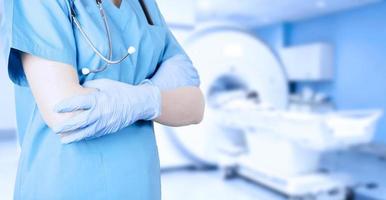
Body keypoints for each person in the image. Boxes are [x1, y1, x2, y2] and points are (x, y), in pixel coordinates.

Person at [0, 0, 205, 199]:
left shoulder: (143, 3)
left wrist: (141, 101)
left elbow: (194, 103)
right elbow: (66, 114)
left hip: (141, 186)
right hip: (65, 186)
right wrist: (158, 96)